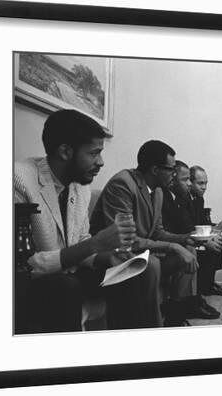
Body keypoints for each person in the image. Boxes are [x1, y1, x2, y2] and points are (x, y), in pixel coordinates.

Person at [14, 109, 160, 333]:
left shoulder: (79, 186)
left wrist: (107, 257)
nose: (101, 162)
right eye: (94, 153)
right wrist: (96, 244)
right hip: (36, 282)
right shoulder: (19, 180)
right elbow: (23, 265)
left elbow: (80, 240)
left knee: (142, 269)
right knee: (65, 287)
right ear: (65, 151)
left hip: (71, 272)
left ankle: (137, 352)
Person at [90, 140, 212, 326]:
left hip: (142, 251)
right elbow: (125, 240)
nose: (174, 173)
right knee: (153, 263)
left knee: (187, 251)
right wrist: (173, 246)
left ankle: (175, 316)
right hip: (114, 255)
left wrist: (186, 238)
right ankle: (153, 328)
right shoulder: (122, 184)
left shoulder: (158, 191)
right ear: (155, 169)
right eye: (171, 169)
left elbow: (158, 232)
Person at [161, 161, 221, 318]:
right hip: (171, 242)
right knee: (193, 249)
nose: (188, 184)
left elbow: (195, 224)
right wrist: (200, 239)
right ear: (173, 179)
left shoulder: (179, 197)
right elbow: (183, 226)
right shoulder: (167, 196)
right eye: (186, 180)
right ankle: (193, 302)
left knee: (215, 239)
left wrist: (214, 232)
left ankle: (201, 292)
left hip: (181, 237)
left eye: (205, 183)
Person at [189, 165, 222, 296]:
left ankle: (209, 281)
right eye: (200, 183)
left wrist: (221, 227)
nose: (204, 187)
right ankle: (206, 285)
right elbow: (190, 227)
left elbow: (203, 222)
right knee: (214, 240)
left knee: (219, 237)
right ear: (190, 182)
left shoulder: (199, 198)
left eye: (205, 183)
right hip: (190, 236)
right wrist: (217, 228)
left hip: (198, 232)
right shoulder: (186, 199)